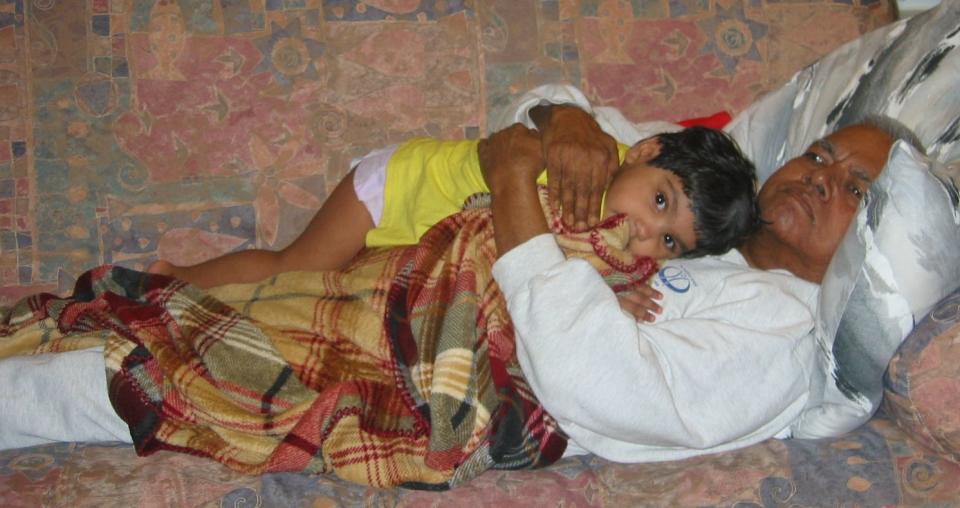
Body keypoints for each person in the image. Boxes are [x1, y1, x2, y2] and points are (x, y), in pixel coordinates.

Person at [480, 99, 923, 461]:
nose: (820, 177)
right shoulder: (708, 191)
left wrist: (512, 187)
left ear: (875, 240)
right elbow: (519, 117)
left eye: (855, 190)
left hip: (472, 374)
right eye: (817, 155)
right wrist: (563, 119)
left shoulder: (785, 331)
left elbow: (592, 379)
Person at [147, 127, 760, 292]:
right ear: (645, 151)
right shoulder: (589, 161)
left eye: (670, 241)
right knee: (296, 270)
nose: (646, 231)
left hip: (417, 258)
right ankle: (173, 279)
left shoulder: (624, 251)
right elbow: (524, 137)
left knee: (324, 294)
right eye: (660, 200)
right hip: (401, 188)